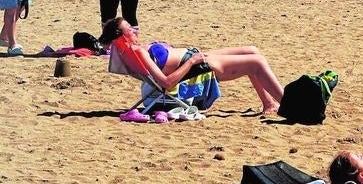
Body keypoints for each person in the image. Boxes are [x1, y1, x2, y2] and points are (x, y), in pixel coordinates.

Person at [98, 17, 284, 114]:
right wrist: (192, 61)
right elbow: (166, 83)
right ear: (121, 36)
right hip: (198, 65)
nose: (135, 30)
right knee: (256, 62)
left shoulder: (130, 50)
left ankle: (269, 104)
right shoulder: (137, 52)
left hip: (193, 56)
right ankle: (288, 105)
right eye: (130, 29)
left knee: (252, 50)